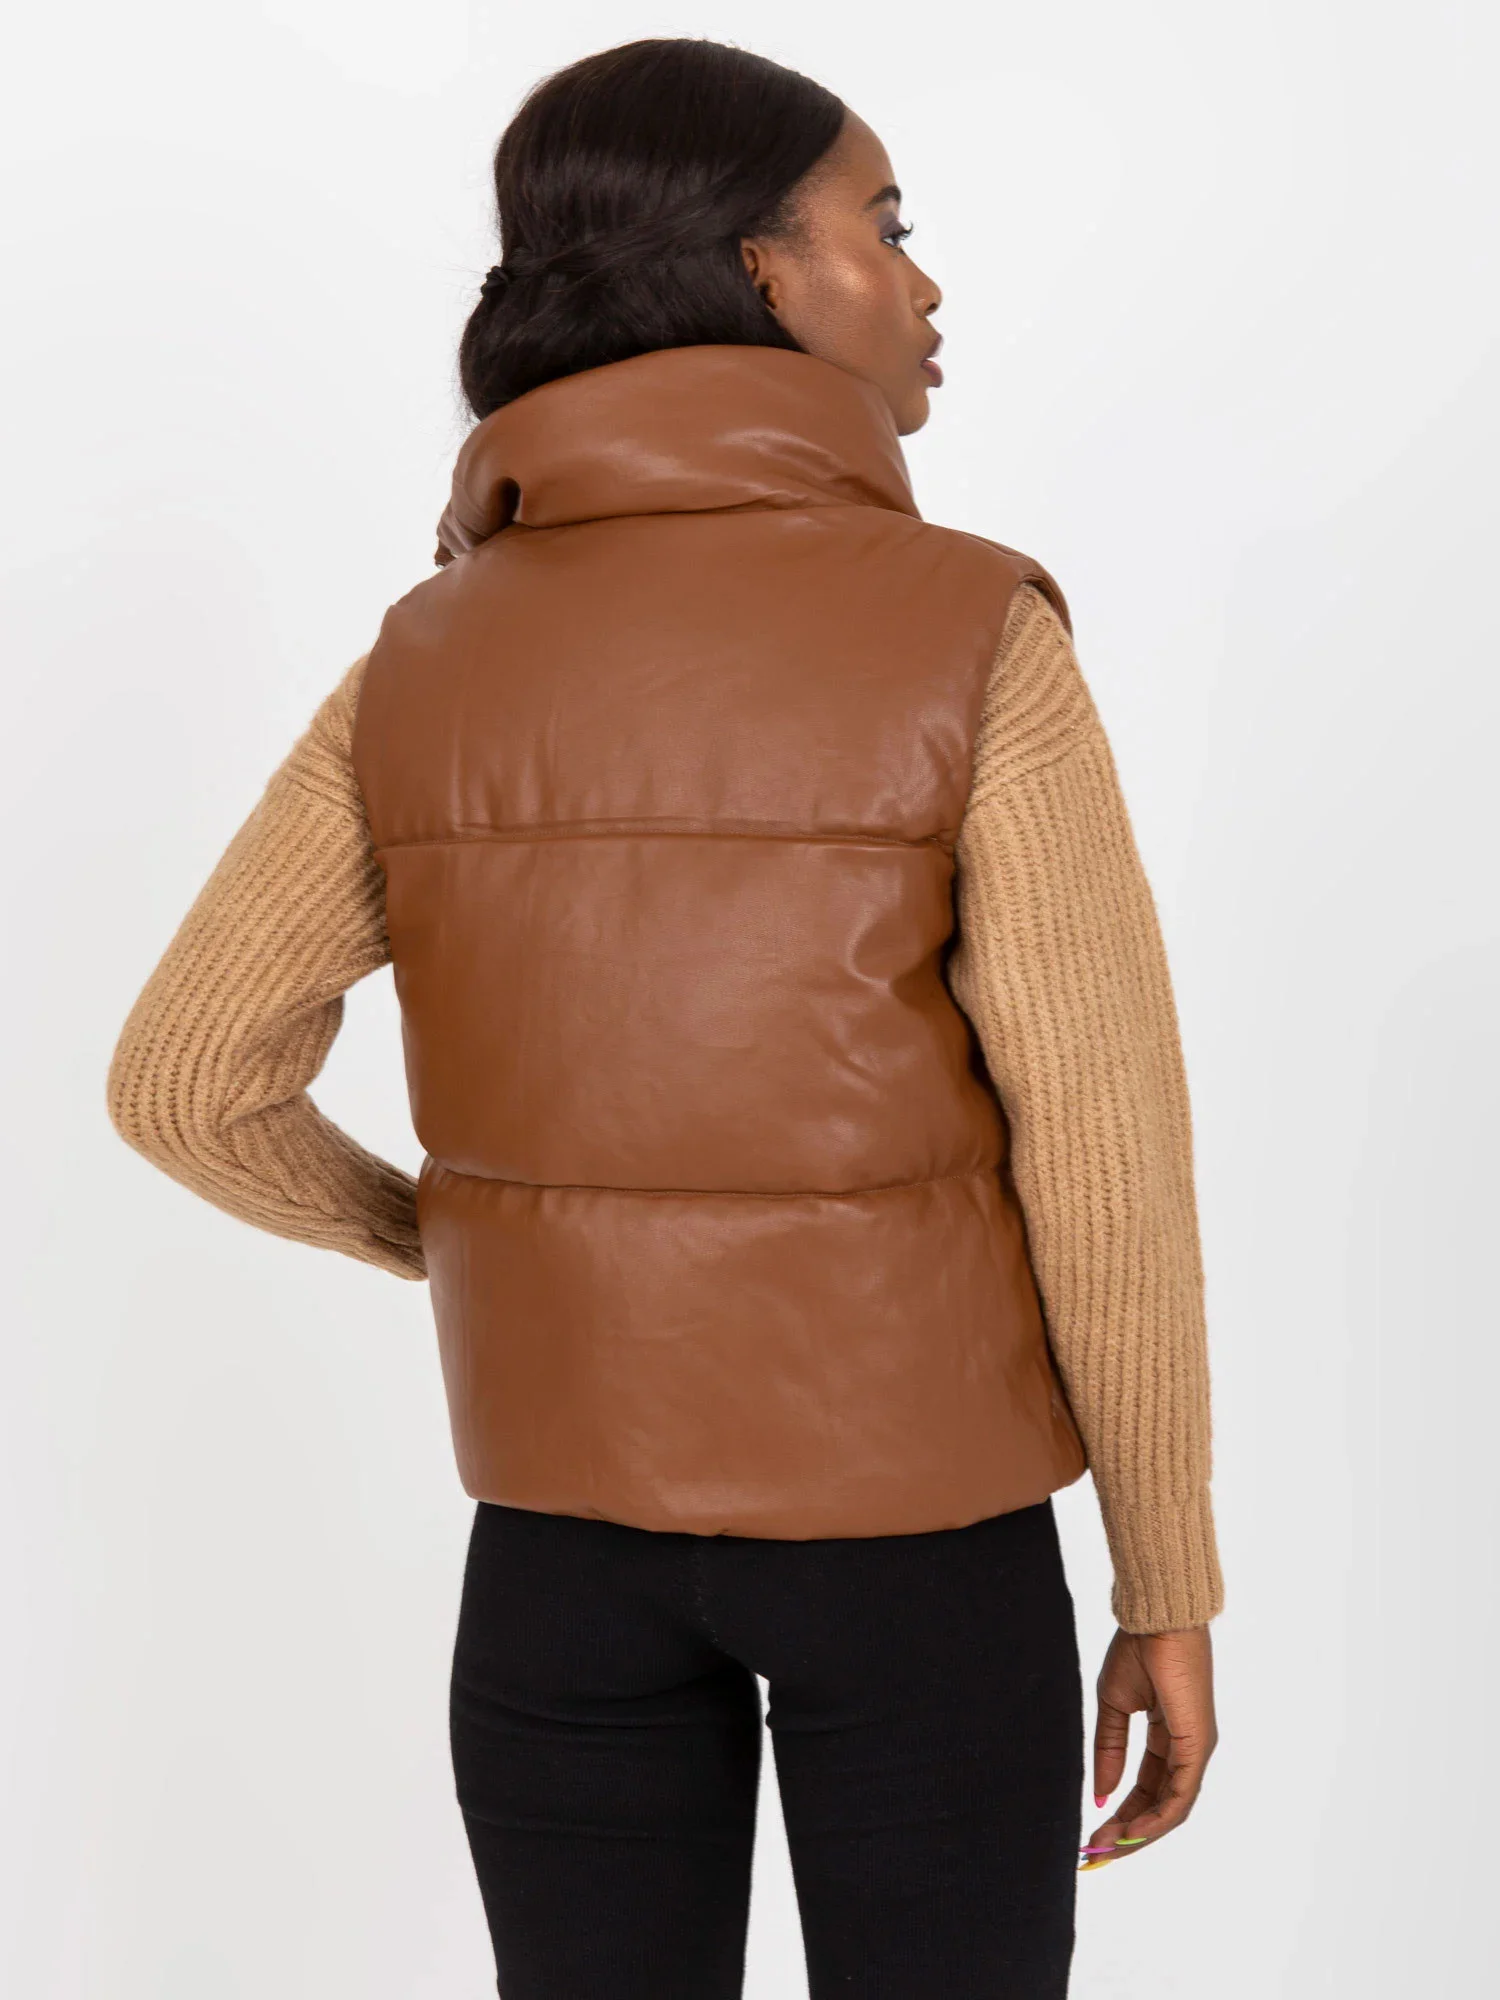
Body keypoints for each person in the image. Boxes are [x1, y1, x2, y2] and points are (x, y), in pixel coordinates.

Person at [106, 36, 1223, 1999]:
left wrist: (493, 1236)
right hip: (918, 1550)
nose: (924, 281)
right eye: (886, 223)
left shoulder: (422, 657)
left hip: (559, 1558)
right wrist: (1166, 1584)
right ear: (763, 271)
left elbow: (187, 1084)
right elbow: (1102, 1156)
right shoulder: (972, 632)